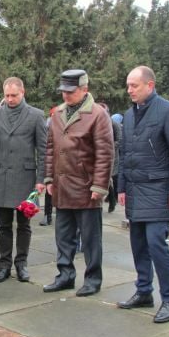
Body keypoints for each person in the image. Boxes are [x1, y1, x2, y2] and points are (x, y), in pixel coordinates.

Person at [117, 65, 169, 323]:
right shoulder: (129, 114)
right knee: (138, 245)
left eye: (134, 86)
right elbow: (125, 154)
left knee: (156, 244)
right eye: (128, 86)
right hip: (135, 190)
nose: (129, 91)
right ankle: (143, 291)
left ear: (150, 85)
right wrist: (122, 186)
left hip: (159, 190)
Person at [43, 69, 114, 297]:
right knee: (63, 236)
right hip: (62, 186)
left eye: (70, 92)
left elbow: (105, 153)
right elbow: (50, 149)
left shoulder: (97, 115)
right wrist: (48, 178)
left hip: (86, 187)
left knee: (91, 239)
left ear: (84, 89)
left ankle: (93, 279)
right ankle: (65, 275)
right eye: (63, 91)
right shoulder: (57, 114)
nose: (65, 95)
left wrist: (99, 186)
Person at [0, 77, 47, 283]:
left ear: (23, 92)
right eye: (7, 95)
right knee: (3, 225)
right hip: (0, 177)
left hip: (25, 178)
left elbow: (43, 150)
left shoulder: (36, 115)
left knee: (24, 225)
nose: (10, 99)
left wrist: (41, 180)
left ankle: (21, 264)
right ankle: (3, 265)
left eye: (14, 95)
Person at [99, 102, 121, 213]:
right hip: (99, 156)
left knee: (109, 179)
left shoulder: (114, 125)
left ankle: (112, 200)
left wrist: (110, 147)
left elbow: (119, 140)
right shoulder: (97, 124)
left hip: (112, 156)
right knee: (106, 180)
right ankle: (111, 199)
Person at [39, 106, 58, 226]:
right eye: (52, 115)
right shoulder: (47, 127)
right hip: (51, 161)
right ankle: (47, 215)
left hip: (64, 163)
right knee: (49, 189)